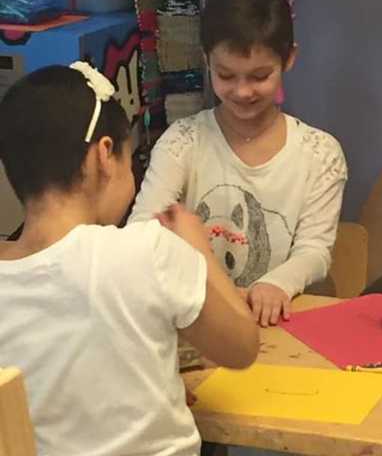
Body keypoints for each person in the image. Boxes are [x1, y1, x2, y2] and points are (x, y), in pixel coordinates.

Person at [0, 63, 259, 456]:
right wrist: (200, 252)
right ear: (104, 155)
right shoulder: (147, 250)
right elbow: (242, 347)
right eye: (130, 156)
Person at [130, 0, 348, 327]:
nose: (243, 91)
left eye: (260, 76)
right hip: (196, 324)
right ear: (206, 61)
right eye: (226, 75)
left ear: (289, 58)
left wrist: (276, 284)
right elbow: (142, 230)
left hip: (279, 325)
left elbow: (315, 251)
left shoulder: (320, 155)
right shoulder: (182, 143)